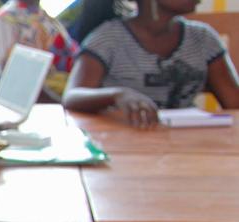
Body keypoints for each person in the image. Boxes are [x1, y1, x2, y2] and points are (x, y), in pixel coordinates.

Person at [64, 0, 239, 127]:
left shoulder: (203, 39)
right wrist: (118, 95)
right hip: (124, 142)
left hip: (189, 144)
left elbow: (235, 103)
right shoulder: (108, 38)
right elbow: (72, 96)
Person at [0, 0, 80, 101]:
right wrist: (61, 104)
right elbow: (15, 80)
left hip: (71, 88)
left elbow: (74, 56)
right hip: (45, 99)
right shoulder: (5, 19)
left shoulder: (43, 15)